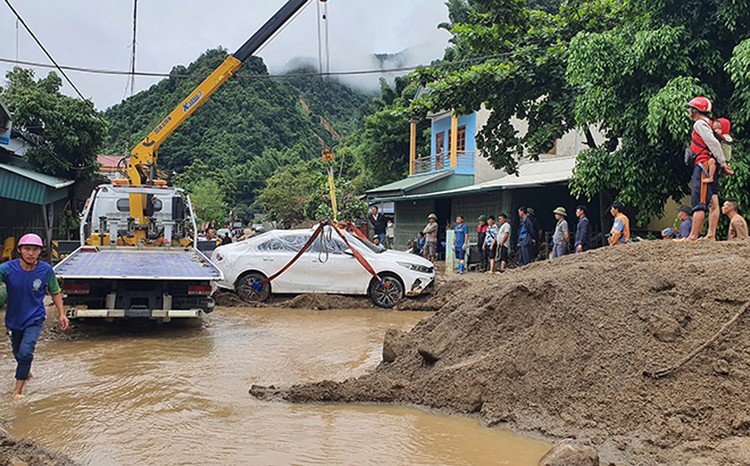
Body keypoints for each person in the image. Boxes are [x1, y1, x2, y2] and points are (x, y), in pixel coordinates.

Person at [0, 234, 69, 398]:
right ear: (20, 251)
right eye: (27, 249)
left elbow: (55, 291)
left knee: (25, 352)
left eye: (35, 249)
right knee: (18, 352)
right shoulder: (7, 269)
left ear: (40, 252)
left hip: (35, 318)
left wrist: (61, 314)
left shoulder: (45, 270)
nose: (31, 253)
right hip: (13, 319)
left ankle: (18, 391)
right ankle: (26, 371)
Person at [684, 97, 732, 241]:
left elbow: (712, 143)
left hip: (704, 164)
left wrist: (723, 163)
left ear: (695, 111)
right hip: (711, 165)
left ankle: (693, 236)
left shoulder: (699, 124)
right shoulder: (709, 124)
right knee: (713, 201)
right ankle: (711, 234)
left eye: (691, 109)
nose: (689, 112)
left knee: (699, 200)